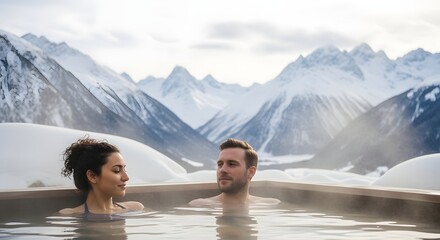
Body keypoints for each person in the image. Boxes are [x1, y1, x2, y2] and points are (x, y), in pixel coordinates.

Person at [59, 136, 144, 217]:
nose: (126, 177)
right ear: (92, 176)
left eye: (124, 170)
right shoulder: (69, 215)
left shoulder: (136, 208)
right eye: (116, 170)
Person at [189, 138, 280, 206]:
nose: (222, 170)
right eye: (220, 164)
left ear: (251, 172)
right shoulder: (199, 206)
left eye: (232, 164)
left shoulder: (270, 205)